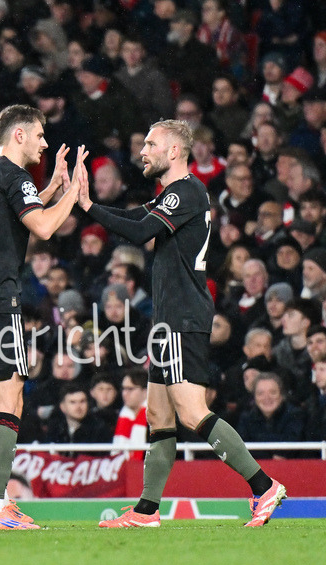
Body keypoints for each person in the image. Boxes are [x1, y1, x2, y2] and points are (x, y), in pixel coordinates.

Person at [78, 119, 287, 528]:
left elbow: (138, 232)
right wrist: (89, 205)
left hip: (181, 317)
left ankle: (263, 486)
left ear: (174, 151)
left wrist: (87, 207)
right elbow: (135, 217)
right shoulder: (173, 196)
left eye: (151, 143)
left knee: (192, 412)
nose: (143, 150)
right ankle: (146, 511)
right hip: (169, 318)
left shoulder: (187, 192)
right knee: (158, 416)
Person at [0, 104, 87, 530]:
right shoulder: (14, 175)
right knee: (11, 401)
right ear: (19, 136)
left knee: (0, 400)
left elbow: (17, 215)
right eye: (41, 135)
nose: (46, 143)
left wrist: (49, 187)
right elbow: (43, 228)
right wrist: (72, 190)